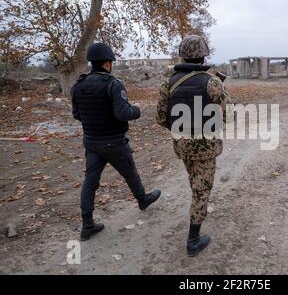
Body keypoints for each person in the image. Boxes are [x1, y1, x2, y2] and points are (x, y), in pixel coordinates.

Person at [71, 42, 161, 241]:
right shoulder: (113, 84)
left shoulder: (78, 86)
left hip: (92, 142)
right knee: (130, 172)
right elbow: (123, 114)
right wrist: (137, 109)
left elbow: (77, 114)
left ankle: (87, 225)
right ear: (106, 63)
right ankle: (143, 200)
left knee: (90, 182)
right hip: (113, 142)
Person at [156, 35, 233, 257]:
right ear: (203, 55)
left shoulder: (167, 84)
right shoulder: (212, 82)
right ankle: (193, 239)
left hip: (181, 146)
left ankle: (197, 209)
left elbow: (161, 118)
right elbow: (230, 115)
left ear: (183, 54)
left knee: (196, 182)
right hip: (206, 147)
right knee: (201, 191)